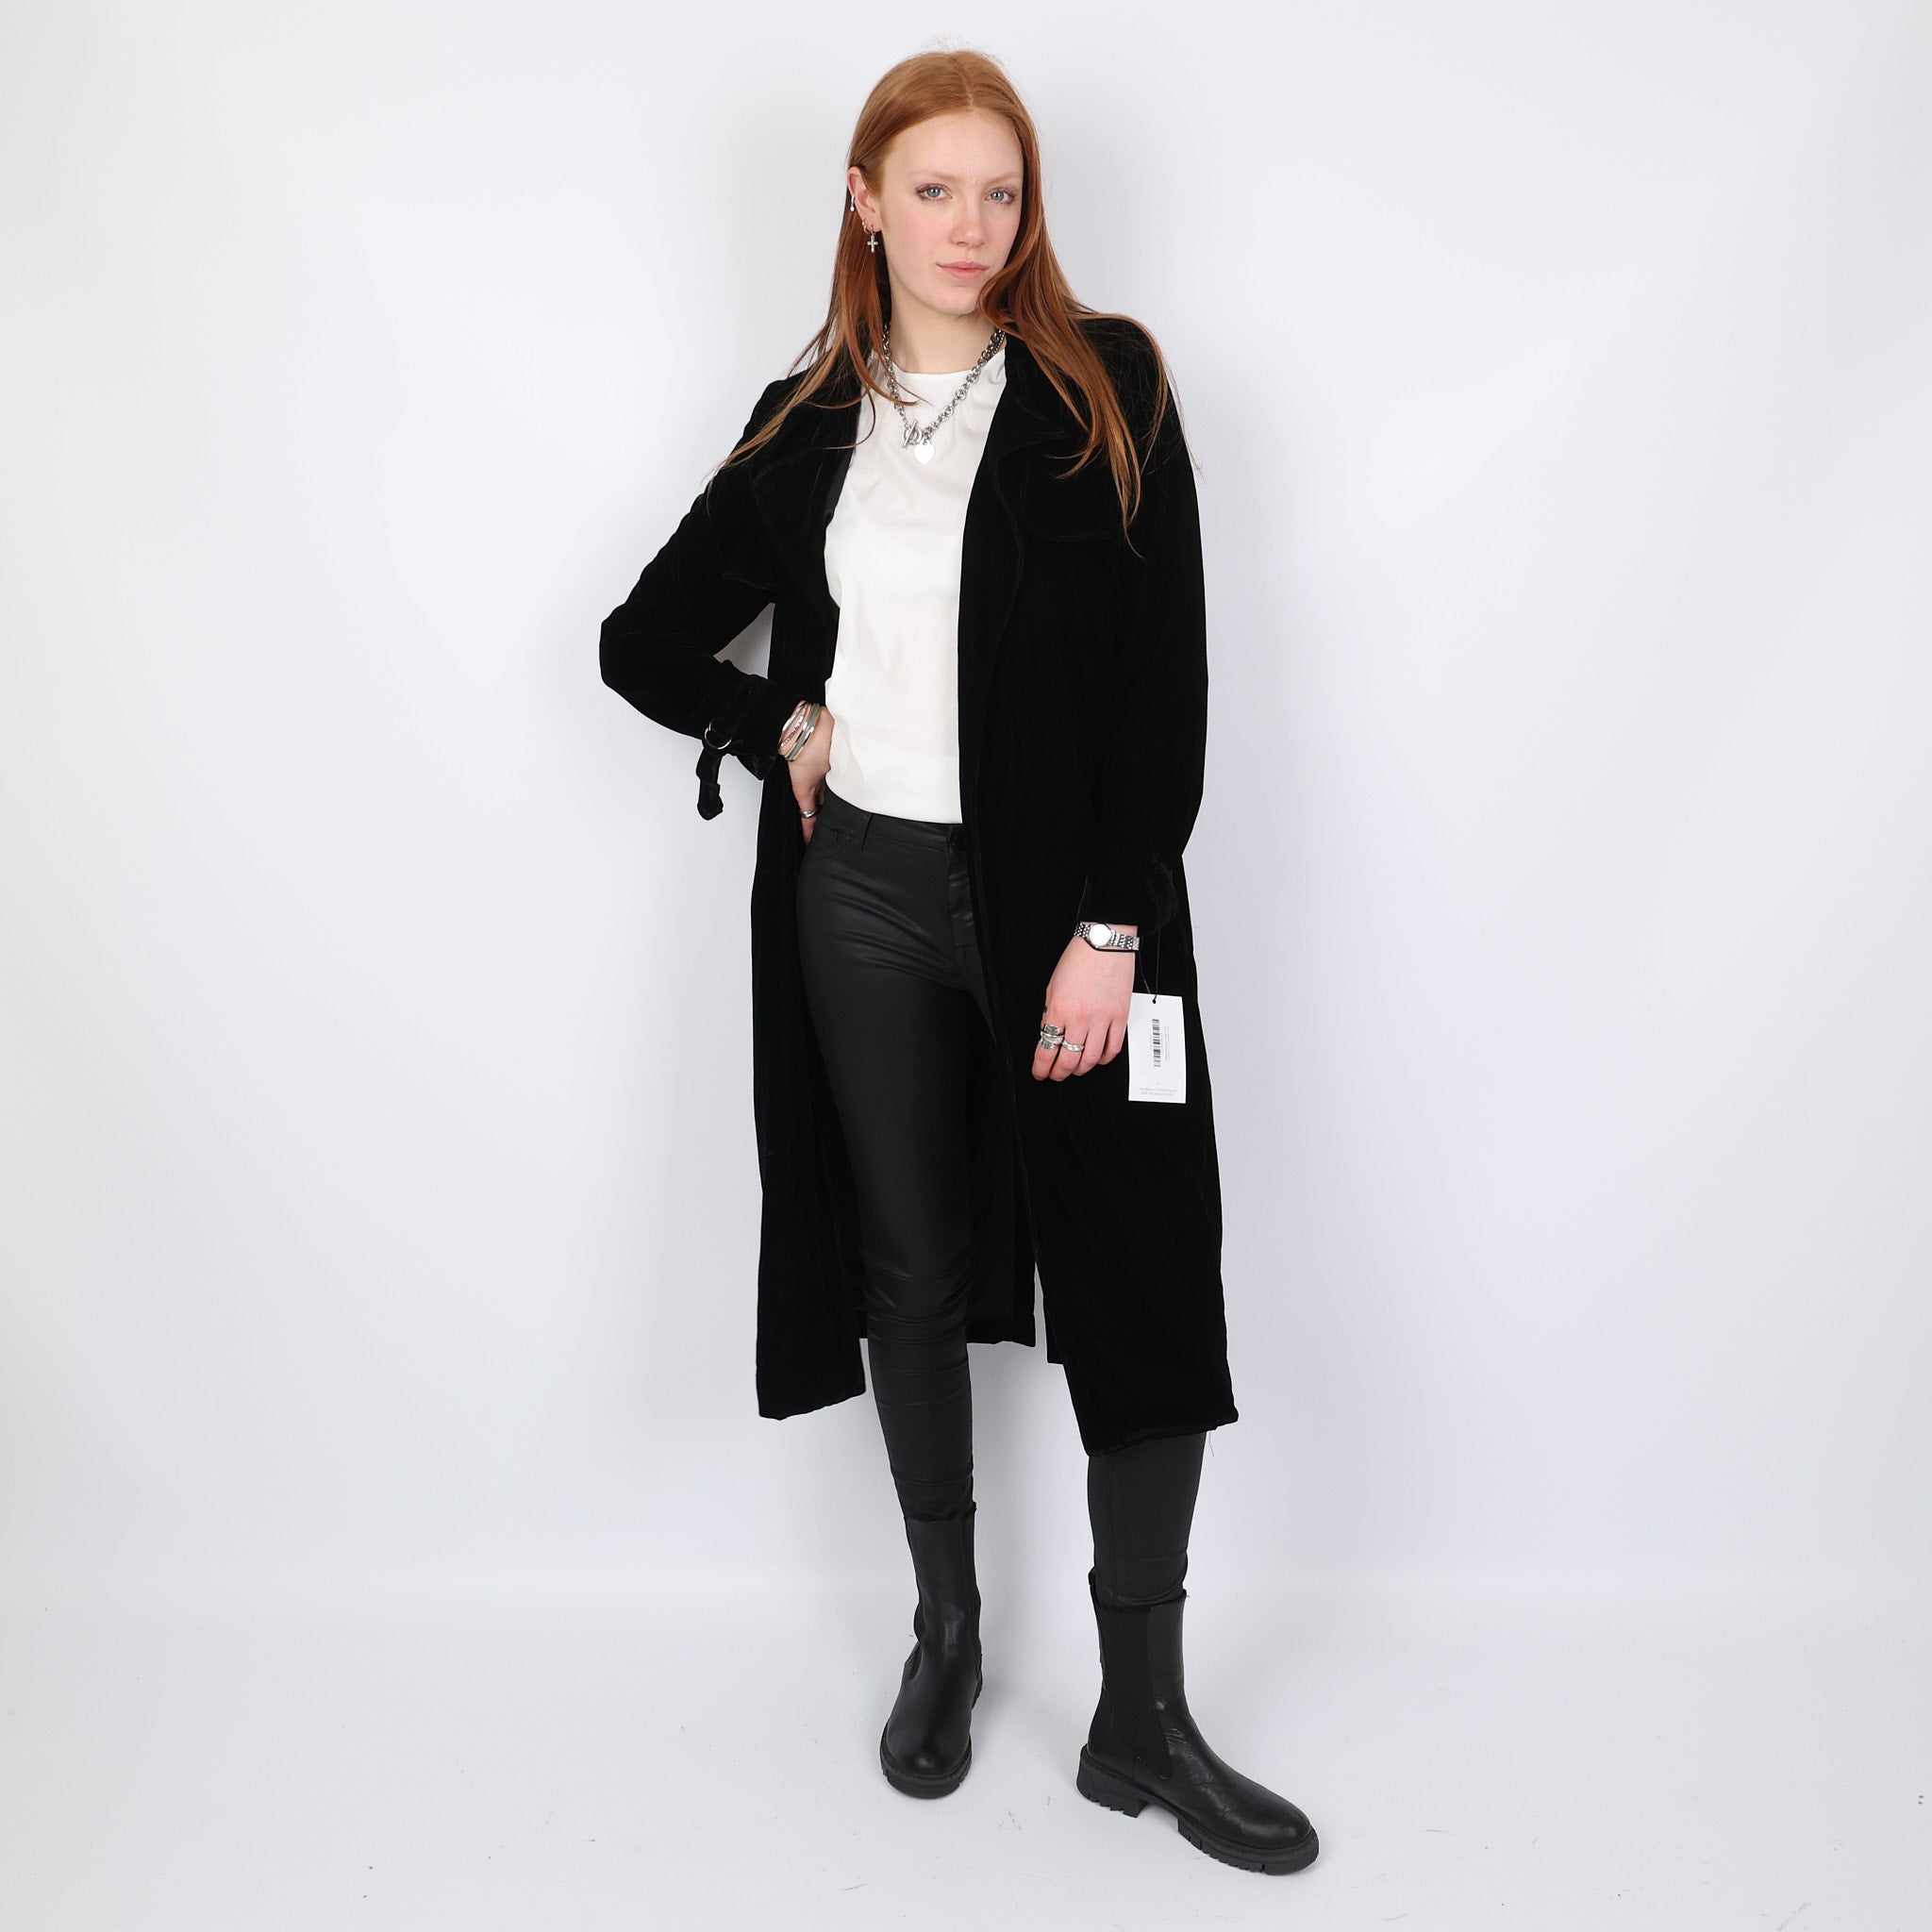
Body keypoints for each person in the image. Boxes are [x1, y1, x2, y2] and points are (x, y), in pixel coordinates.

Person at [599, 49, 1318, 1875]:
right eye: (934, 189)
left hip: (1072, 921)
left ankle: (1144, 1718)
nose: (972, 226)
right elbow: (641, 638)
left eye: (1001, 191)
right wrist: (778, 721)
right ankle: (947, 1630)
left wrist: (1110, 930)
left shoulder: (1104, 386)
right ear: (864, 200)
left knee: (1141, 1273)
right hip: (863, 898)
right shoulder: (804, 422)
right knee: (906, 1265)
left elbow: (1163, 688)